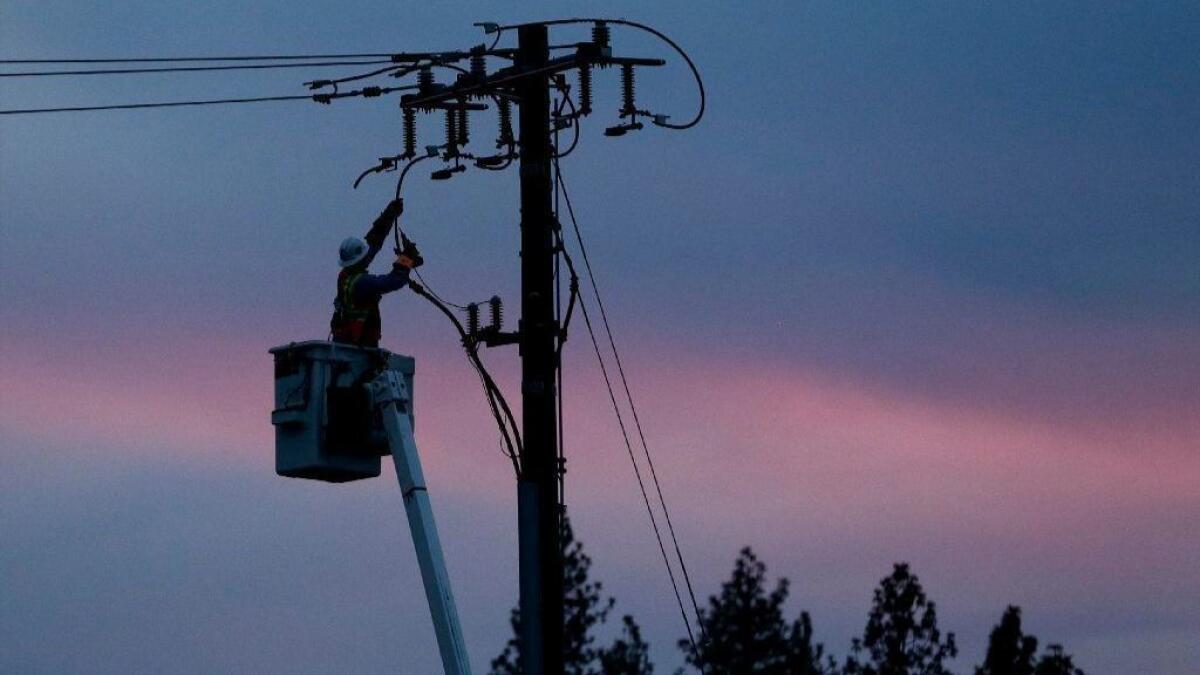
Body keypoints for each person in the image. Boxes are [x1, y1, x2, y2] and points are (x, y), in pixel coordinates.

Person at [330, 198, 423, 347]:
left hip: (346, 341)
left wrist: (388, 215)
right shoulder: (362, 283)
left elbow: (373, 243)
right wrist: (406, 259)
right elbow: (393, 281)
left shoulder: (345, 276)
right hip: (359, 345)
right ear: (358, 260)